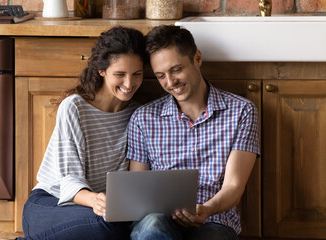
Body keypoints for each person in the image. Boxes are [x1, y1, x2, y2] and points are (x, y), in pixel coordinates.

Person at [126, 25, 260, 240]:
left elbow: (234, 186)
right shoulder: (143, 118)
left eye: (176, 70)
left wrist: (206, 209)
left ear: (197, 59)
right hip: (159, 218)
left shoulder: (241, 111)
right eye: (161, 76)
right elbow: (138, 189)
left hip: (214, 218)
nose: (170, 83)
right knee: (152, 227)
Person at [16, 26, 146, 240]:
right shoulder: (75, 107)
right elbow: (70, 181)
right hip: (51, 204)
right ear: (101, 70)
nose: (129, 84)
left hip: (101, 210)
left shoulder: (138, 115)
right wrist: (96, 200)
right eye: (120, 74)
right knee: (108, 228)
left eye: (137, 74)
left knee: (121, 227)